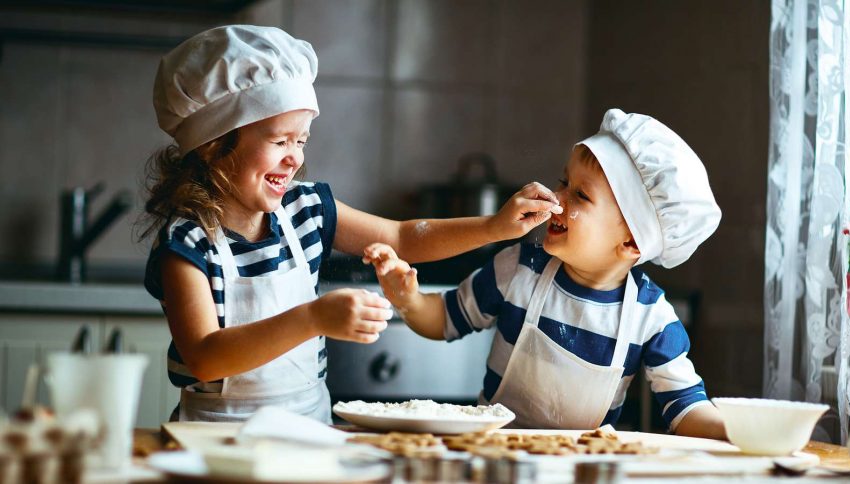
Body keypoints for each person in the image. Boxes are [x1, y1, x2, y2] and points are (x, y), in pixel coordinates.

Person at [140, 25, 563, 423]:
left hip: (308, 433)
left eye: (302, 140)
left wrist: (493, 228)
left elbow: (402, 236)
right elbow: (203, 356)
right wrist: (312, 318)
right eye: (280, 140)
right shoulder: (188, 242)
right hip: (213, 442)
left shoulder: (307, 209)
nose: (295, 158)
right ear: (215, 146)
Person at [364, 108, 728, 439]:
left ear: (632, 242)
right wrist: (408, 299)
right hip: (492, 458)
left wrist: (739, 431)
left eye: (580, 196)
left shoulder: (651, 317)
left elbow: (686, 408)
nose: (557, 198)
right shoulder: (519, 269)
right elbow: (443, 319)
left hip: (582, 470)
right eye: (562, 182)